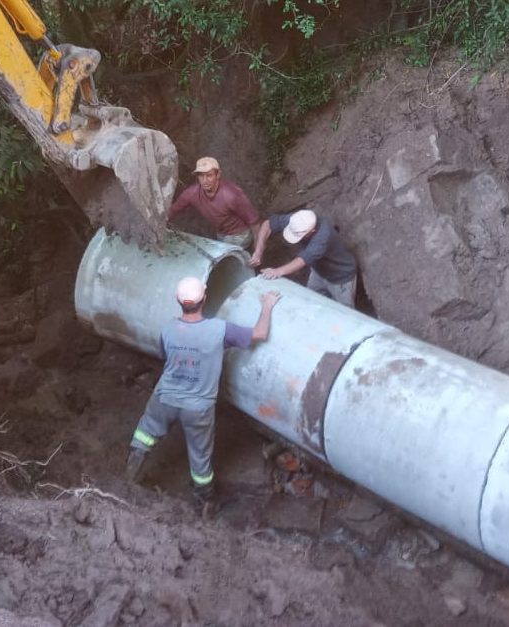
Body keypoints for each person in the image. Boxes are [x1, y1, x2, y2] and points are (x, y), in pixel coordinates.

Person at [125, 276, 281, 512]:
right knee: (200, 457)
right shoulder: (219, 330)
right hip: (197, 408)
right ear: (204, 299)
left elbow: (165, 357)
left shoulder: (168, 328)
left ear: (179, 301)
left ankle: (129, 478)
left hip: (164, 397)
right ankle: (205, 500)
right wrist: (267, 305)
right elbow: (260, 333)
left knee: (144, 435)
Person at [249, 208, 359, 308]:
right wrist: (259, 251)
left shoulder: (323, 237)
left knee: (345, 311)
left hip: (340, 278)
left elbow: (303, 260)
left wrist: (277, 271)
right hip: (319, 272)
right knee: (311, 300)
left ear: (311, 231)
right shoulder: (298, 221)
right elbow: (267, 224)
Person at [168, 157, 261, 250]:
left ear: (218, 174)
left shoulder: (232, 195)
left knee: (221, 256)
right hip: (221, 233)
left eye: (209, 175)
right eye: (201, 176)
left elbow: (255, 223)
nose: (205, 181)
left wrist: (257, 251)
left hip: (239, 235)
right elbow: (172, 211)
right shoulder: (192, 193)